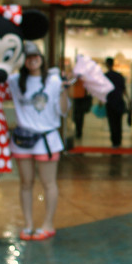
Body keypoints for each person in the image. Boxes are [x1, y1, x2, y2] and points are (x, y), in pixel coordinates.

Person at [9, 41, 69, 242]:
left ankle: (48, 224)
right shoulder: (15, 81)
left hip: (47, 140)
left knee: (48, 183)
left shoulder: (52, 82)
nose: (32, 60)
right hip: (23, 139)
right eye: (27, 57)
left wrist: (62, 88)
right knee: (25, 183)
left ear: (41, 58)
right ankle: (28, 224)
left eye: (35, 55)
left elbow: (63, 111)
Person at [103, 57, 127, 148]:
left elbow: (103, 90)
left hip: (110, 102)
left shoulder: (106, 76)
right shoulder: (119, 76)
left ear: (107, 64)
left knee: (112, 122)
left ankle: (114, 141)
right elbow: (124, 90)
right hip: (119, 101)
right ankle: (119, 140)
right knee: (118, 122)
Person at [67, 57, 93, 139]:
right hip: (74, 96)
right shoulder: (74, 71)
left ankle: (79, 131)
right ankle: (77, 130)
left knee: (80, 115)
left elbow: (88, 83)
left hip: (81, 97)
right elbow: (70, 81)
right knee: (75, 115)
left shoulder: (85, 72)